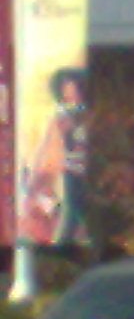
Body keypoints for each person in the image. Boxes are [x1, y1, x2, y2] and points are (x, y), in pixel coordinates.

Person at [18, 67, 87, 247]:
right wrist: (34, 176)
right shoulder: (61, 115)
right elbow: (46, 145)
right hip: (72, 170)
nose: (69, 92)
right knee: (71, 214)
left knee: (81, 215)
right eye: (65, 88)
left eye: (72, 86)